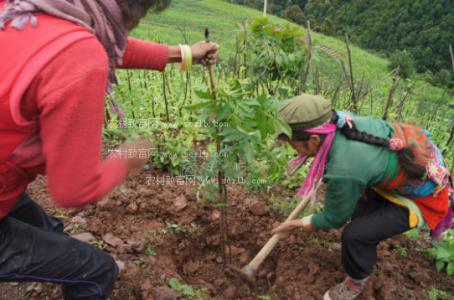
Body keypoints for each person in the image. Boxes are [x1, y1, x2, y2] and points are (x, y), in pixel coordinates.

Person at [0, 0, 218, 299]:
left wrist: (183, 53)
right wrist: (127, 159)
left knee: (49, 231)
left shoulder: (27, 10)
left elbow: (95, 43)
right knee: (98, 272)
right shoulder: (77, 56)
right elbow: (73, 191)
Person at [272, 94, 453, 300]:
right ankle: (358, 251)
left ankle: (355, 282)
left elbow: (334, 218)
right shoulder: (342, 121)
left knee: (355, 235)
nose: (292, 148)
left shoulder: (345, 167)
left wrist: (296, 224)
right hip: (407, 172)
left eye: (292, 143)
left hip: (425, 197)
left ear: (314, 139)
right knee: (359, 212)